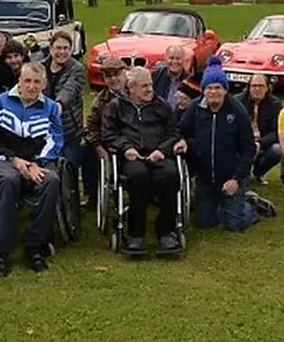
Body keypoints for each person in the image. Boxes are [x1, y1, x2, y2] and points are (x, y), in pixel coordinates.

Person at [0, 62, 64, 276]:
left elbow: (55, 140)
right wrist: (15, 160)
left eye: (37, 82)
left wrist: (36, 163)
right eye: (27, 81)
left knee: (51, 180)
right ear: (19, 81)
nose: (32, 86)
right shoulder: (2, 101)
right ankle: (1, 253)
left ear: (44, 84)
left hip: (35, 163)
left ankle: (34, 246)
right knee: (9, 180)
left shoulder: (51, 107)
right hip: (2, 162)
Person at [175, 58, 269, 233]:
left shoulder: (237, 110)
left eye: (218, 87)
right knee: (204, 223)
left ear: (225, 90)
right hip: (204, 178)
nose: (213, 92)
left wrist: (236, 179)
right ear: (203, 90)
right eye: (209, 88)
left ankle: (251, 206)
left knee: (234, 224)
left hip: (231, 178)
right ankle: (223, 204)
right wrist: (181, 139)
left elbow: (248, 148)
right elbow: (181, 130)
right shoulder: (195, 108)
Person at [103, 67, 181, 255]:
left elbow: (174, 133)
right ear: (131, 87)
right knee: (138, 176)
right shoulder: (116, 106)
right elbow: (109, 135)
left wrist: (162, 150)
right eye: (144, 86)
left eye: (151, 85)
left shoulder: (162, 106)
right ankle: (135, 234)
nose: (149, 90)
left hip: (158, 155)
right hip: (132, 157)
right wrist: (126, 148)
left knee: (171, 175)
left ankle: (166, 231)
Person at [44, 31, 86, 199]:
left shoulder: (77, 69)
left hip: (69, 130)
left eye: (66, 48)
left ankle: (72, 204)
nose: (62, 52)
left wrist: (58, 106)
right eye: (58, 48)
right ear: (51, 48)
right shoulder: (40, 67)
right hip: (45, 130)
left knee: (70, 166)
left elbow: (70, 90)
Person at [84, 56, 129, 207]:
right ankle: (93, 196)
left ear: (125, 74)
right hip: (108, 142)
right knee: (87, 150)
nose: (113, 79)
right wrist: (97, 147)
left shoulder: (135, 92)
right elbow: (91, 126)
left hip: (133, 140)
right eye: (108, 76)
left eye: (117, 74)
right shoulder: (101, 100)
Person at [237, 73, 283, 185]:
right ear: (249, 87)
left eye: (261, 86)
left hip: (264, 143)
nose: (257, 89)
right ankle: (242, 173)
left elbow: (276, 132)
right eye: (254, 86)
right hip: (243, 143)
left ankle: (259, 172)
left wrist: (260, 143)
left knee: (278, 150)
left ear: (267, 88)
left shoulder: (275, 104)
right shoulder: (237, 102)